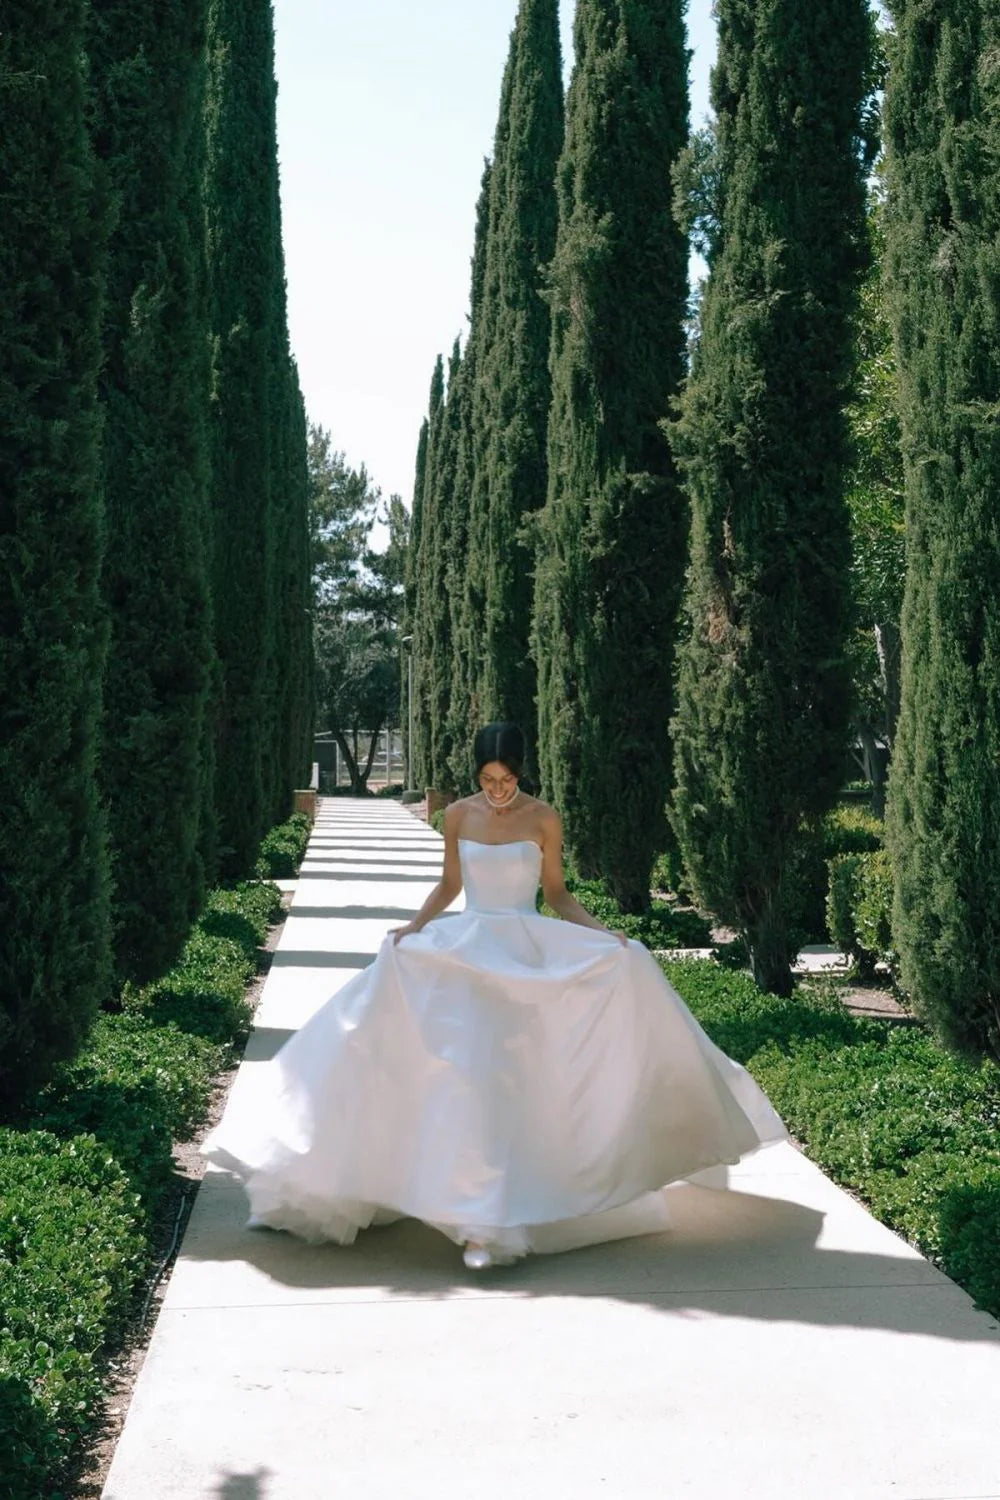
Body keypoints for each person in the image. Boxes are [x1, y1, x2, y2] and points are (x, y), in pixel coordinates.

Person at [202, 722, 786, 1269]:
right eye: (488, 780)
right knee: (462, 1071)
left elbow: (556, 894)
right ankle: (477, 1217)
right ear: (476, 775)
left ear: (522, 774)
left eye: (507, 780)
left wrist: (603, 934)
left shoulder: (544, 819)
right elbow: (451, 885)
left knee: (518, 1072)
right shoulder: (457, 815)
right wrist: (413, 928)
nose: (499, 791)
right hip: (468, 947)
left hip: (526, 946)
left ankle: (502, 1207)